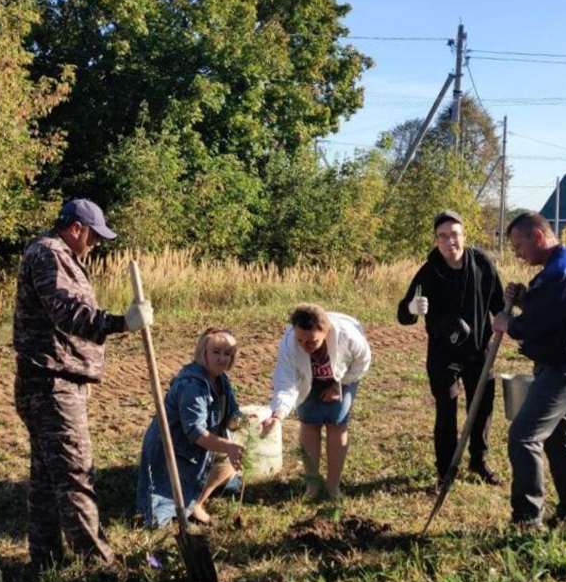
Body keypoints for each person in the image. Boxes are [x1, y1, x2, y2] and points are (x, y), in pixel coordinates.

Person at [13, 198, 153, 572]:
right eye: (94, 237)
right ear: (77, 228)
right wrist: (123, 322)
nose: (95, 245)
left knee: (47, 479)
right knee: (76, 474)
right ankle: (99, 566)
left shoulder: (61, 256)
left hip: (53, 381)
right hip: (51, 385)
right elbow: (68, 313)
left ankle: (45, 561)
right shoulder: (49, 254)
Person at [492, 212, 566, 531]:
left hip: (564, 368)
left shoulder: (560, 274)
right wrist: (527, 299)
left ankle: (527, 519)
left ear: (538, 237)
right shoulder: (564, 265)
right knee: (559, 437)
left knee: (523, 436)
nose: (517, 253)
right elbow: (553, 312)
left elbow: (534, 325)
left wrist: (508, 323)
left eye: (518, 245)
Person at [397, 210, 506, 490]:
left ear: (464, 236)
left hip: (479, 351)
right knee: (446, 411)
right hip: (443, 356)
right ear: (436, 241)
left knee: (481, 407)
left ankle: (478, 461)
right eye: (442, 236)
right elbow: (403, 313)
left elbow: (497, 302)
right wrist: (412, 308)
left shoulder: (482, 263)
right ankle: (445, 470)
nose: (449, 242)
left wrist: (507, 316)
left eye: (454, 234)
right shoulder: (429, 271)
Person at [136, 329, 245, 529]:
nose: (222, 358)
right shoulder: (193, 386)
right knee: (156, 516)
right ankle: (192, 505)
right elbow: (195, 433)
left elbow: (231, 414)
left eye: (228, 354)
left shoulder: (221, 380)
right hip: (173, 450)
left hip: (197, 451)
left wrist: (242, 420)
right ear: (203, 353)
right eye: (216, 352)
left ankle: (196, 501)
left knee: (228, 469)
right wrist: (228, 447)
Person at [262, 304, 371, 501]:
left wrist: (339, 384)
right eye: (300, 340)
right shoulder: (289, 345)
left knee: (337, 422)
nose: (305, 346)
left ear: (326, 332)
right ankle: (312, 485)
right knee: (309, 422)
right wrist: (277, 415)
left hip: (344, 375)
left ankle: (333, 486)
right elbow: (286, 383)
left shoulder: (349, 337)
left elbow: (362, 363)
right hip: (308, 379)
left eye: (312, 342)